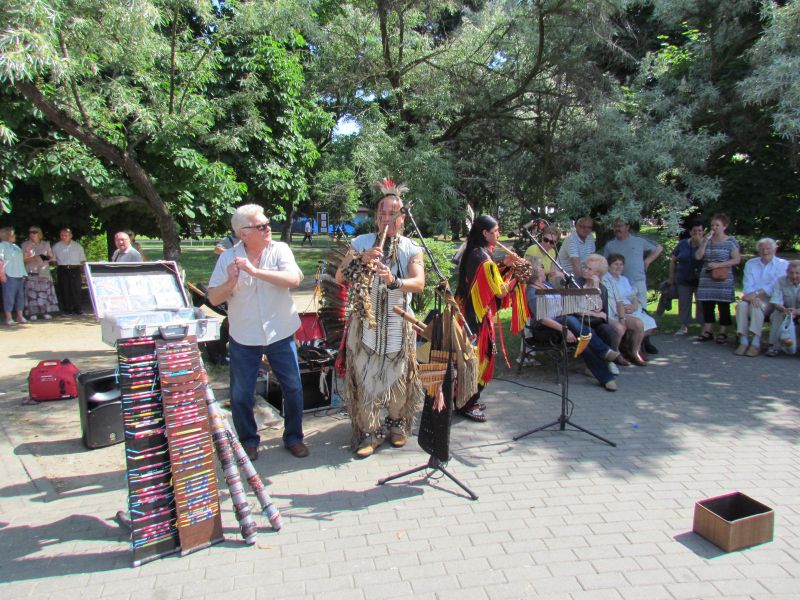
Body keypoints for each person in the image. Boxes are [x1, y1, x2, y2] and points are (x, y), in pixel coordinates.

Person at [208, 204, 308, 460]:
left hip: (280, 331)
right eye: (261, 226)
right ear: (244, 233)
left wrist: (255, 272)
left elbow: (294, 280)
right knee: (241, 393)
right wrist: (230, 282)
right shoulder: (227, 258)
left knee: (293, 388)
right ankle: (249, 441)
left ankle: (294, 437)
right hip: (244, 335)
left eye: (267, 223)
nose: (268, 229)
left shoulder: (280, 249)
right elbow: (213, 296)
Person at [335, 179, 425, 458]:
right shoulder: (360, 243)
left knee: (398, 377)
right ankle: (369, 432)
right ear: (375, 217)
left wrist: (394, 280)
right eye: (381, 214)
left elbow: (419, 283)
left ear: (402, 218)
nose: (386, 219)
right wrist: (361, 259)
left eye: (392, 214)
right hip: (367, 324)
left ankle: (397, 425)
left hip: (399, 323)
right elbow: (339, 277)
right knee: (366, 378)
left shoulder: (411, 247)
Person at [455, 215, 528, 422]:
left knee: (475, 359)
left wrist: (505, 264)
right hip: (475, 319)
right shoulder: (481, 258)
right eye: (495, 231)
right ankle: (466, 404)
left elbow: (491, 278)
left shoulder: (478, 253)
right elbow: (499, 291)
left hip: (472, 315)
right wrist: (516, 276)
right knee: (479, 358)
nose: (498, 234)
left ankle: (467, 400)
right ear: (485, 234)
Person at [526, 257, 619, 391]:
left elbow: (562, 303)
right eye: (541, 266)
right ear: (536, 271)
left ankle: (607, 378)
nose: (543, 268)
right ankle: (605, 352)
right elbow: (542, 318)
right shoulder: (532, 291)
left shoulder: (547, 285)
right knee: (570, 320)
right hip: (546, 328)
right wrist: (564, 330)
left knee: (583, 342)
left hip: (562, 320)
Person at [602, 218, 662, 353]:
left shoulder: (638, 241)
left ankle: (644, 343)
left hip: (637, 280)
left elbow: (658, 248)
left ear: (627, 227)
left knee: (641, 310)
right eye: (615, 226)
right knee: (625, 312)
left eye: (620, 226)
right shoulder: (610, 245)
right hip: (618, 281)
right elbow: (605, 263)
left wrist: (648, 260)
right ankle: (627, 343)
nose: (617, 228)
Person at [575, 254, 629, 372]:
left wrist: (595, 287)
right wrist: (595, 314)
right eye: (585, 267)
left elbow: (599, 309)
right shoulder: (576, 283)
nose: (585, 270)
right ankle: (599, 363)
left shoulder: (602, 288)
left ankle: (606, 362)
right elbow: (576, 309)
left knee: (608, 330)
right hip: (579, 320)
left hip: (596, 321)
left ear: (598, 273)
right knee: (590, 331)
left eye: (590, 269)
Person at [734, 238, 787, 356]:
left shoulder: (782, 264)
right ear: (758, 250)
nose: (765, 251)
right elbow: (747, 284)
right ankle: (743, 341)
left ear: (774, 249)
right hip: (751, 297)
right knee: (741, 306)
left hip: (771, 299)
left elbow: (774, 284)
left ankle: (756, 343)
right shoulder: (751, 263)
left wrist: (757, 295)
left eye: (768, 248)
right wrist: (753, 297)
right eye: (762, 249)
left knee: (757, 307)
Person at [695, 214, 741, 344]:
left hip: (723, 277)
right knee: (707, 305)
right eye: (712, 225)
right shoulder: (707, 240)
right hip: (707, 278)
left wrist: (719, 265)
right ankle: (708, 330)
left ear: (725, 226)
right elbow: (698, 257)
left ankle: (722, 331)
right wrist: (704, 242)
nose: (714, 228)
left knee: (723, 306)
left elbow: (736, 259)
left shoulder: (730, 242)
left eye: (717, 225)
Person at [604, 253, 657, 365]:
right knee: (638, 324)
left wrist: (634, 305)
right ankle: (630, 352)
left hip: (630, 309)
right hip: (616, 311)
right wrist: (623, 310)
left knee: (651, 325)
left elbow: (632, 296)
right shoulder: (605, 279)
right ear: (609, 266)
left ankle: (631, 348)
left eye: (621, 264)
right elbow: (613, 300)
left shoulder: (624, 279)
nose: (618, 267)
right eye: (615, 264)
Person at [668, 222, 706, 334]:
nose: (697, 233)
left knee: (701, 303)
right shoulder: (682, 244)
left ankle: (704, 327)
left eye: (700, 231)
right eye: (695, 231)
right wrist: (671, 276)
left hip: (701, 279)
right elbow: (673, 260)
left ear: (703, 232)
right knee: (684, 302)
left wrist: (700, 244)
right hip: (683, 277)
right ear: (690, 232)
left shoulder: (707, 243)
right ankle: (683, 326)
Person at [21, 226, 59, 321]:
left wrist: (41, 257)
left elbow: (50, 257)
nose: (32, 234)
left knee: (45, 292)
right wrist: (32, 258)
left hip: (43, 271)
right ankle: (32, 313)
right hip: (31, 271)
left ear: (39, 233)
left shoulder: (45, 244)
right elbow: (22, 260)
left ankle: (45, 312)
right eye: (30, 232)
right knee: (31, 293)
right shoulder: (25, 244)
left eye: (34, 232)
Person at [767, 260, 800, 356]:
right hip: (785, 311)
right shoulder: (780, 281)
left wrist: (797, 312)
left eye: (797, 273)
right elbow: (776, 300)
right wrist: (784, 309)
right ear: (787, 272)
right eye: (791, 273)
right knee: (776, 315)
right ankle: (773, 346)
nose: (794, 276)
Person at [51, 227, 87, 315]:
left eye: (66, 235)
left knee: (76, 289)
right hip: (62, 269)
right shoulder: (56, 246)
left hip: (75, 269)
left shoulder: (77, 246)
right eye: (62, 235)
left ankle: (78, 309)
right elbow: (53, 260)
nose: (64, 237)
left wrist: (83, 270)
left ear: (71, 236)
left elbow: (82, 260)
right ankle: (67, 310)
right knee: (64, 289)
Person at [0, 227, 28, 326]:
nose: (15, 236)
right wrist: (1, 274)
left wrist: (27, 255)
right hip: (9, 274)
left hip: (19, 274)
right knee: (9, 297)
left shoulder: (16, 246)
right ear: (8, 236)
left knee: (20, 297)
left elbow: (20, 260)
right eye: (13, 234)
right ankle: (8, 317)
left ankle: (20, 316)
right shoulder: (1, 246)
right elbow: (0, 260)